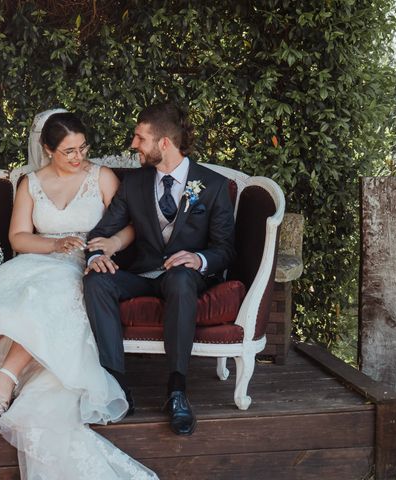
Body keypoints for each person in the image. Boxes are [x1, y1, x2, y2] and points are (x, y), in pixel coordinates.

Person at [0, 110, 158, 479]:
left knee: (46, 297)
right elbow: (18, 238)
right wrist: (54, 244)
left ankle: (6, 378)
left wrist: (103, 248)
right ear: (47, 149)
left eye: (82, 148)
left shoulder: (101, 178)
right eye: (68, 151)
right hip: (40, 257)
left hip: (81, 265)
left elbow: (131, 227)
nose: (78, 158)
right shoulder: (31, 182)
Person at [83, 102, 236, 436]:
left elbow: (225, 250)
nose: (133, 144)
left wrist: (199, 260)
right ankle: (116, 386)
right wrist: (98, 256)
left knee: (181, 279)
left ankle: (177, 391)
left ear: (164, 142)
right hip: (141, 275)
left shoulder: (213, 185)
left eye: (140, 137)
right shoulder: (135, 184)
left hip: (185, 279)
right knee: (97, 281)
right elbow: (100, 233)